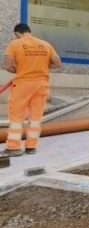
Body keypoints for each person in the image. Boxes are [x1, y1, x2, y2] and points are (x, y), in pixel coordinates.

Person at [2, 23, 62, 156]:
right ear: (29, 31)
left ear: (17, 33)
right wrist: (40, 67)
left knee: (16, 116)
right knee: (36, 117)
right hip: (42, 85)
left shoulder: (15, 44)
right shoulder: (45, 44)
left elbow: (7, 65)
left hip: (23, 84)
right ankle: (31, 146)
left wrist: (20, 69)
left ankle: (13, 147)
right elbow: (58, 64)